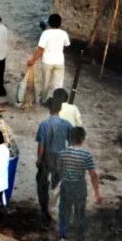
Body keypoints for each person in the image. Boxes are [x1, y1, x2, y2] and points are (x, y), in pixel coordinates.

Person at [57, 126, 102, 241]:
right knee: (80, 213)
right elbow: (93, 175)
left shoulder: (62, 153)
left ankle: (62, 235)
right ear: (83, 139)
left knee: (64, 211)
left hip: (66, 185)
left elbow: (59, 170)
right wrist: (97, 193)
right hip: (80, 187)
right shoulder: (86, 155)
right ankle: (80, 239)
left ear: (70, 139)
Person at [35, 97, 70, 227]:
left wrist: (39, 159)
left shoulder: (44, 125)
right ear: (60, 109)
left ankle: (45, 210)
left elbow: (41, 145)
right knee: (57, 184)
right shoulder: (66, 124)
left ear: (49, 109)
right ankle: (55, 209)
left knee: (42, 182)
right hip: (61, 156)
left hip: (47, 157)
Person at [27, 13, 71, 103]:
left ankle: (43, 100)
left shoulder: (45, 33)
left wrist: (33, 60)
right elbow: (67, 45)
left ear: (49, 23)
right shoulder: (64, 33)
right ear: (60, 23)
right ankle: (58, 102)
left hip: (47, 61)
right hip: (59, 61)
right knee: (58, 84)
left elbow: (40, 50)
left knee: (46, 83)